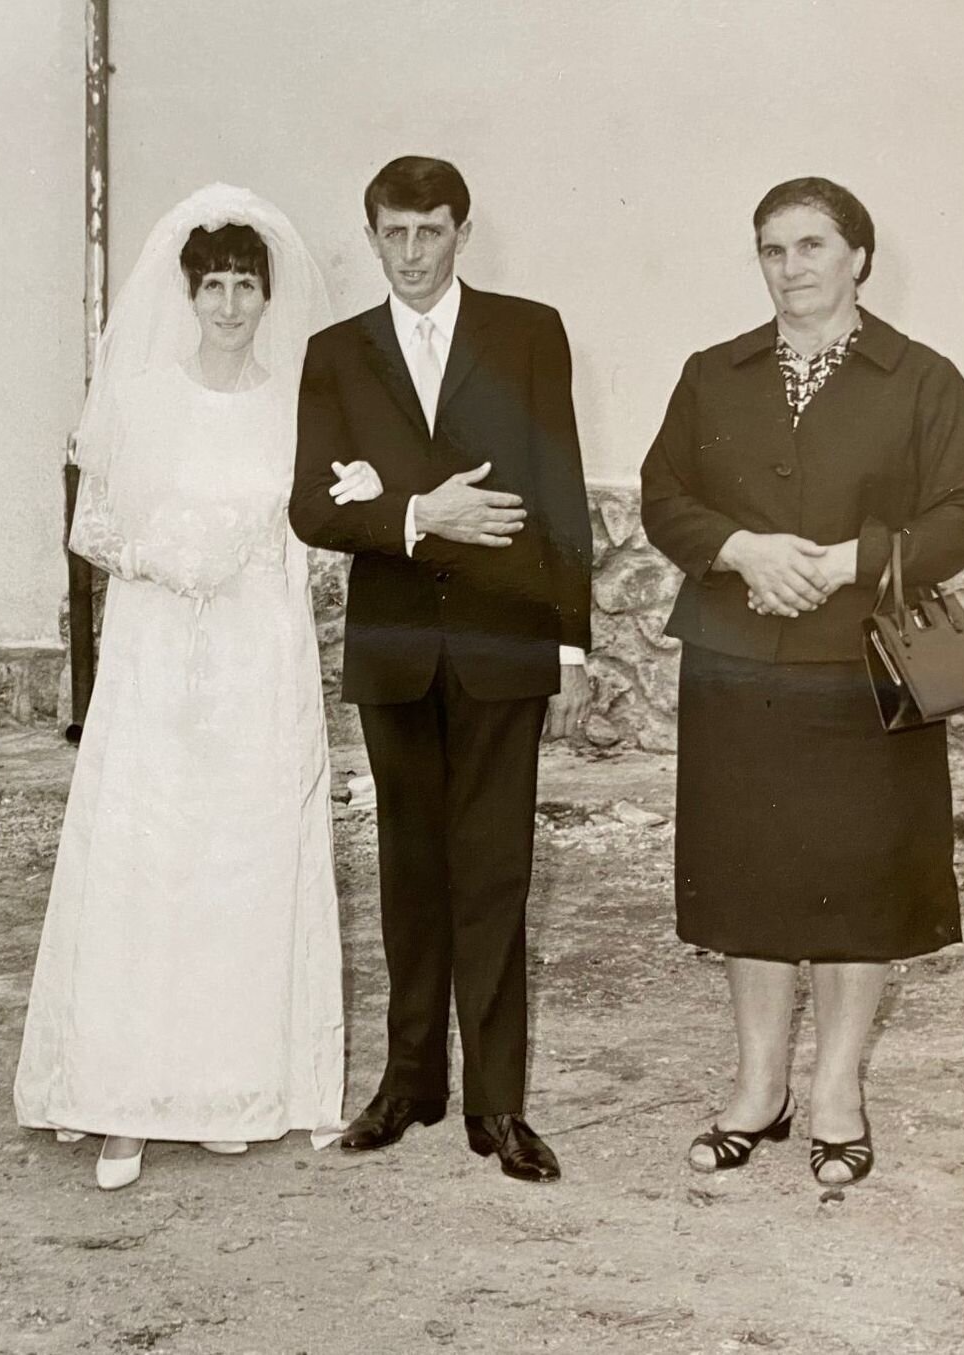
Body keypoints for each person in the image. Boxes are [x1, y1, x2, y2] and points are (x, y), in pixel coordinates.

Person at [640, 177, 964, 1186]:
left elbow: (963, 518)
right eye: (771, 250)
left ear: (859, 258)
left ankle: (837, 1089)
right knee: (750, 878)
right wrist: (742, 546)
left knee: (856, 887)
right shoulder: (714, 373)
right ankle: (759, 1088)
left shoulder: (923, 379)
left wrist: (845, 562)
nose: (791, 268)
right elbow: (665, 498)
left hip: (866, 672)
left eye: (811, 246)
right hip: (737, 665)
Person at [15, 185, 345, 1190]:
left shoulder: (297, 402)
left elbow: (320, 537)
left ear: (268, 295)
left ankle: (225, 1084)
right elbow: (95, 524)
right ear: (189, 293)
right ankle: (123, 1100)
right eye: (216, 285)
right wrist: (163, 556)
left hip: (255, 650)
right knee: (148, 856)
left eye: (249, 284)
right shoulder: (146, 395)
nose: (233, 304)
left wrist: (254, 554)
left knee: (242, 855)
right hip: (162, 648)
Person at [289, 156, 592, 1184]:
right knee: (409, 872)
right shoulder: (336, 353)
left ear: (462, 230)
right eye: (394, 234)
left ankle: (496, 1102)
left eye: (432, 232)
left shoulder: (527, 331)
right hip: (396, 651)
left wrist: (571, 641)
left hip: (507, 643)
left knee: (497, 870)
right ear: (370, 236)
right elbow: (312, 506)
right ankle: (408, 1079)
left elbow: (559, 490)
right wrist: (421, 516)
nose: (413, 254)